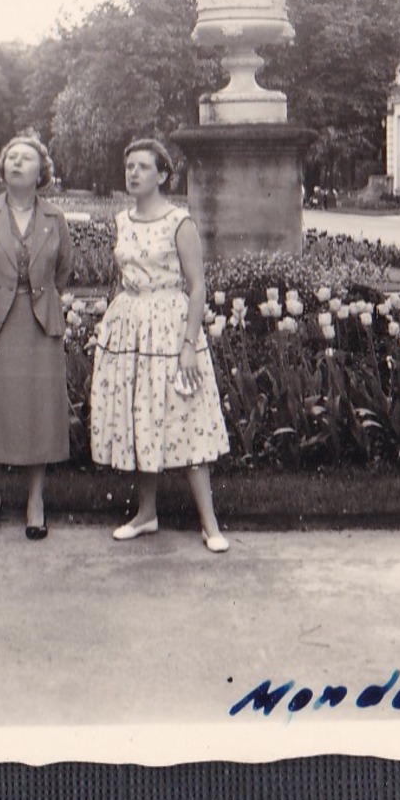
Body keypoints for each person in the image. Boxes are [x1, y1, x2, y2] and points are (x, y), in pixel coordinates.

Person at [90, 139, 231, 553]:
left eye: (143, 167)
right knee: (141, 415)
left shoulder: (178, 222)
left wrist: (189, 344)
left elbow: (198, 286)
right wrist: (110, 327)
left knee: (184, 415)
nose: (133, 173)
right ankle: (146, 513)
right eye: (129, 166)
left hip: (170, 328)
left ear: (163, 175)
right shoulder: (122, 221)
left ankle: (209, 523)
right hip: (130, 328)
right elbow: (120, 277)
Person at [0, 135, 75, 540]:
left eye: (26, 158)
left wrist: (33, 295)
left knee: (37, 412)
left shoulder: (55, 218)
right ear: (2, 168)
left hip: (39, 321)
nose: (17, 163)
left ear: (40, 170)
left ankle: (35, 502)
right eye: (11, 157)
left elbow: (63, 270)